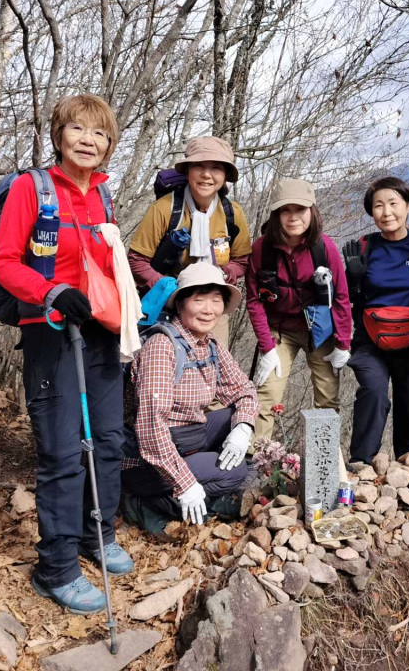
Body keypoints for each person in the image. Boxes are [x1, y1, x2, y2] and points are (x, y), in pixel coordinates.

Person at [0, 93, 133, 616]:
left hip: (98, 330)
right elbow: (6, 262)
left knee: (111, 440)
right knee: (60, 451)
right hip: (50, 332)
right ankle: (55, 568)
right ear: (59, 134)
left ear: (109, 144)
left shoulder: (103, 197)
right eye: (78, 129)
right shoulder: (33, 189)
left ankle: (98, 535)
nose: (88, 140)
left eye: (100, 133)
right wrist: (50, 292)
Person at [121, 262, 257, 533]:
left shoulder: (210, 344)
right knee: (236, 471)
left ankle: (198, 490)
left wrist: (243, 427)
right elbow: (150, 427)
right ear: (180, 304)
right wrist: (185, 482)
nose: (209, 310)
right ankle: (146, 503)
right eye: (199, 300)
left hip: (187, 436)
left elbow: (244, 390)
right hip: (146, 458)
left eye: (216, 300)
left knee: (232, 419)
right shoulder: (162, 347)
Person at [341, 177, 409, 464]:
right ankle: (362, 465)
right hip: (370, 342)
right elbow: (348, 301)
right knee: (374, 392)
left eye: (393, 203)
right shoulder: (364, 247)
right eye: (378, 205)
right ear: (371, 212)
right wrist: (352, 280)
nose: (386, 212)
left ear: (407, 206)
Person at [245, 178, 352, 445]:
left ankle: (322, 460)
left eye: (300, 209)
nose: (293, 217)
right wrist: (266, 347)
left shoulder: (323, 248)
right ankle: (254, 461)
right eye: (285, 210)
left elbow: (340, 296)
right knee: (268, 392)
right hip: (279, 329)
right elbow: (254, 300)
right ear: (276, 214)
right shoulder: (261, 249)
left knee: (328, 396)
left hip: (321, 329)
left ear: (311, 212)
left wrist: (343, 343)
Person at [127, 136, 252, 347]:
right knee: (164, 366)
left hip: (212, 309)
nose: (206, 174)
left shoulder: (232, 213)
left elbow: (241, 261)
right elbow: (136, 260)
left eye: (216, 168)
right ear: (187, 171)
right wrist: (171, 290)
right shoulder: (164, 209)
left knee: (212, 367)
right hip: (166, 305)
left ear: (225, 175)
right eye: (199, 166)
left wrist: (223, 274)